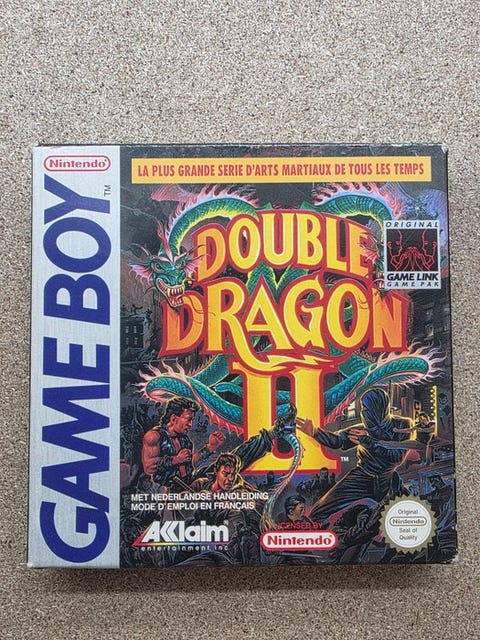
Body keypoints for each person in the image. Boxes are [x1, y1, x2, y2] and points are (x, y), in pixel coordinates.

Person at [300, 387, 413, 523]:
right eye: (363, 408)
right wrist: (315, 432)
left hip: (387, 480)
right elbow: (338, 440)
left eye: (366, 408)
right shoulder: (362, 429)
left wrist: (369, 442)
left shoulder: (403, 425)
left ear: (378, 408)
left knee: (408, 514)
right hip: (361, 477)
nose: (363, 412)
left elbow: (397, 457)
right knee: (318, 512)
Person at [141, 397, 225, 489]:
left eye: (192, 420)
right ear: (173, 419)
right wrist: (176, 459)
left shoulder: (185, 440)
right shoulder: (154, 436)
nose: (191, 424)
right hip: (165, 491)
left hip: (187, 486)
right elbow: (148, 467)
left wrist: (210, 448)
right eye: (188, 419)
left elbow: (190, 464)